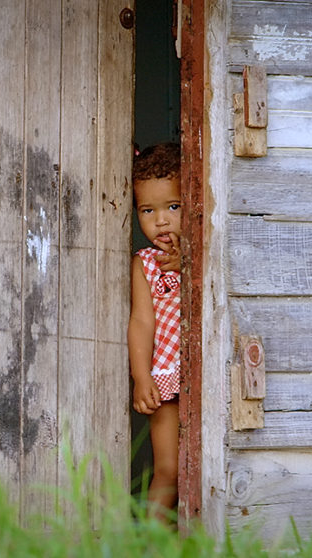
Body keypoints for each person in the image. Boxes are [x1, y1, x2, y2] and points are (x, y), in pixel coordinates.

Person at [127, 143, 182, 517]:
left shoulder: (207, 247)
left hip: (208, 378)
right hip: (164, 376)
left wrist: (190, 262)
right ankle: (150, 546)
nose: (161, 221)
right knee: (169, 470)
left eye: (172, 207)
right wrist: (141, 375)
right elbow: (142, 321)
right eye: (149, 210)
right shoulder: (144, 264)